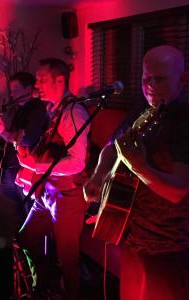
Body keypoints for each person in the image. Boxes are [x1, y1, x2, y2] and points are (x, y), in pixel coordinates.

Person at [84, 45, 189, 300]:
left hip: (166, 247)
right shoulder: (141, 108)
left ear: (183, 79)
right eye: (145, 78)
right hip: (130, 235)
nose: (150, 85)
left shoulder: (184, 119)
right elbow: (111, 148)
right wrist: (98, 176)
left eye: (159, 79)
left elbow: (178, 191)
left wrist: (140, 167)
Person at [17, 58, 91, 300]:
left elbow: (77, 162)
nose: (36, 84)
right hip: (47, 194)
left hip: (67, 196)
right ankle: (44, 285)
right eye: (36, 79)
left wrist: (37, 164)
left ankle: (70, 293)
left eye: (41, 79)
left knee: (68, 258)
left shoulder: (73, 112)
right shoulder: (52, 109)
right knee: (26, 238)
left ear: (60, 80)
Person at [0, 72, 48, 227]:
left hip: (23, 173)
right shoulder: (19, 110)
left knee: (24, 219)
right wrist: (1, 133)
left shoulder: (37, 109)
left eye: (16, 90)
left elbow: (27, 140)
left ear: (29, 88)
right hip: (9, 168)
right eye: (11, 90)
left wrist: (4, 131)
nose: (12, 94)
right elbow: (13, 138)